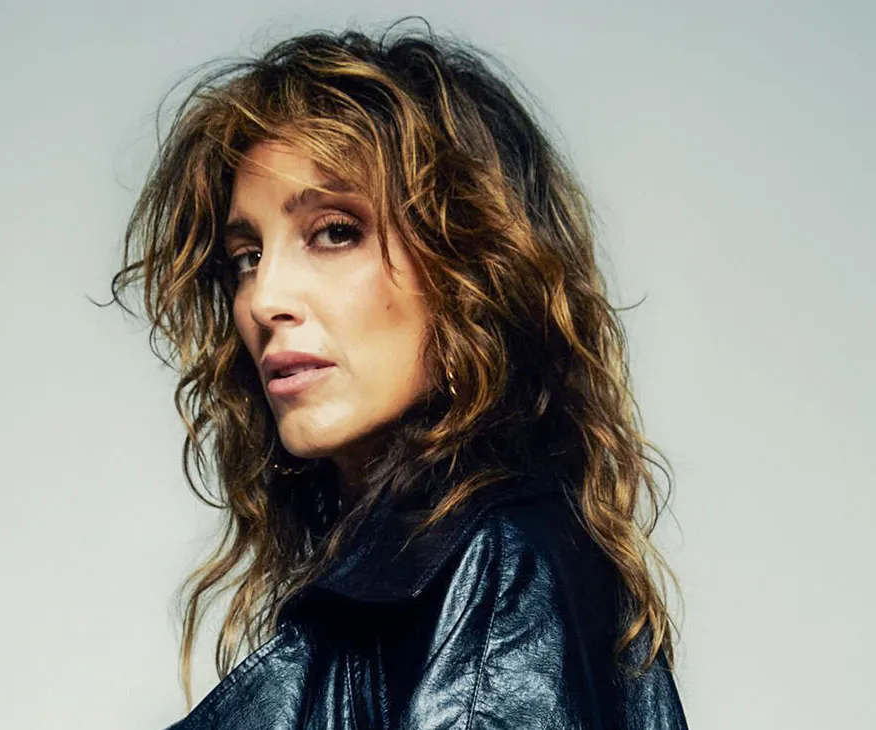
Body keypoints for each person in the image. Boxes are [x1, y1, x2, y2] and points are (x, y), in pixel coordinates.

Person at [107, 20, 688, 729]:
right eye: (246, 258)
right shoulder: (405, 589)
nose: (263, 299)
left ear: (470, 271)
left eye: (335, 232)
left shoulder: (497, 571)